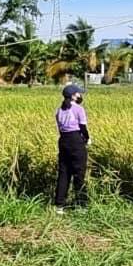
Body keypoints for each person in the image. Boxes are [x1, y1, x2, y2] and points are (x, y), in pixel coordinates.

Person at [54, 83, 89, 212]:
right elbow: (83, 128)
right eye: (78, 93)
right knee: (79, 173)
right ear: (74, 96)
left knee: (64, 173)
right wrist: (87, 139)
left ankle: (59, 205)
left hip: (63, 140)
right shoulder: (79, 109)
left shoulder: (59, 110)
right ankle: (81, 204)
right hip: (76, 141)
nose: (80, 95)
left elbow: (60, 129)